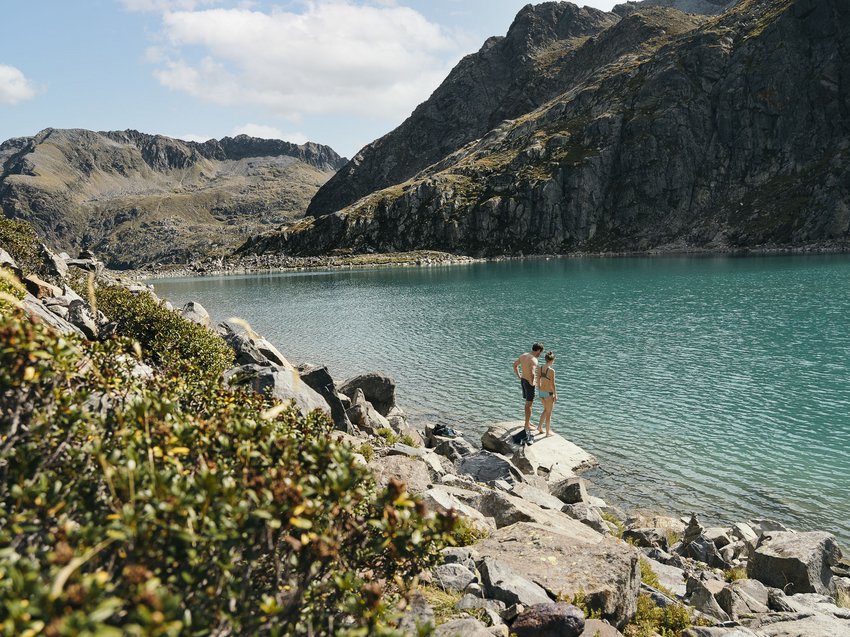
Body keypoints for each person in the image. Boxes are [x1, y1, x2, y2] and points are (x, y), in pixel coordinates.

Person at [513, 343, 544, 432]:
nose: (540, 354)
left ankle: (527, 421)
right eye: (540, 352)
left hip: (523, 380)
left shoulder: (524, 355)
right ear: (538, 350)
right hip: (528, 383)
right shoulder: (534, 360)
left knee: (527, 403)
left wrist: (519, 376)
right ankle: (527, 425)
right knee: (529, 404)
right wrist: (531, 382)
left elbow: (514, 365)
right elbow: (532, 373)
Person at [537, 351, 557, 437]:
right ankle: (548, 432)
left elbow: (538, 381)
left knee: (545, 410)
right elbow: (553, 384)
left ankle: (539, 427)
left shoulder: (540, 368)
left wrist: (539, 391)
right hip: (549, 393)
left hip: (542, 392)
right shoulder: (551, 371)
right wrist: (555, 394)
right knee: (549, 413)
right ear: (552, 360)